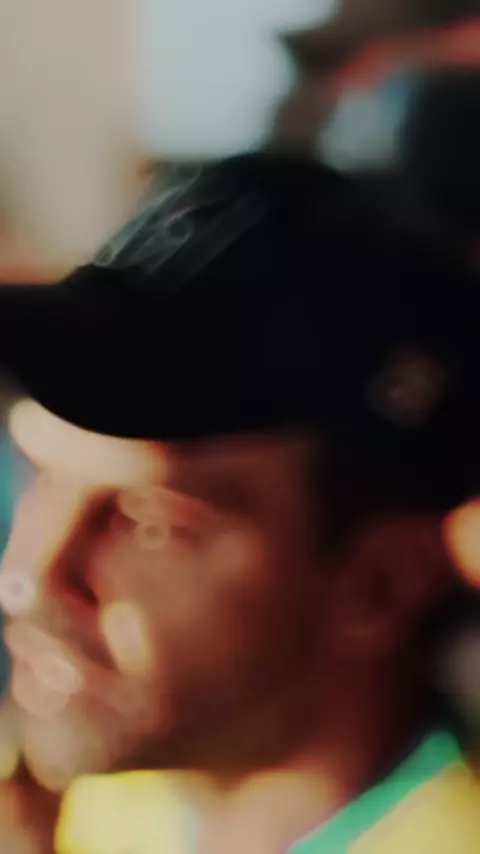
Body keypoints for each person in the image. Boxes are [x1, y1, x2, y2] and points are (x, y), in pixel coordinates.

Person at [0, 153, 479, 853]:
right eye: (43, 475)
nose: (27, 577)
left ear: (382, 583)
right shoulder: (120, 780)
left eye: (150, 523)